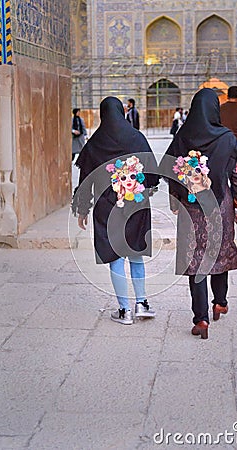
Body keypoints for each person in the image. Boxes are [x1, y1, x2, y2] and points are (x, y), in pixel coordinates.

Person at [161, 88, 237, 339]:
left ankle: (200, 319)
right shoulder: (228, 139)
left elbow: (168, 170)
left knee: (197, 261)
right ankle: (220, 302)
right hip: (220, 207)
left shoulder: (182, 136)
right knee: (219, 253)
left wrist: (176, 200)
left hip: (191, 209)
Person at [73, 97, 159, 325]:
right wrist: (141, 189)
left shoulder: (95, 142)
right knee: (135, 253)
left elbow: (85, 180)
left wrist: (82, 209)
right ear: (121, 112)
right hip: (136, 203)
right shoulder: (136, 137)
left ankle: (124, 311)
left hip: (106, 207)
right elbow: (152, 173)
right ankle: (142, 303)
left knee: (115, 257)